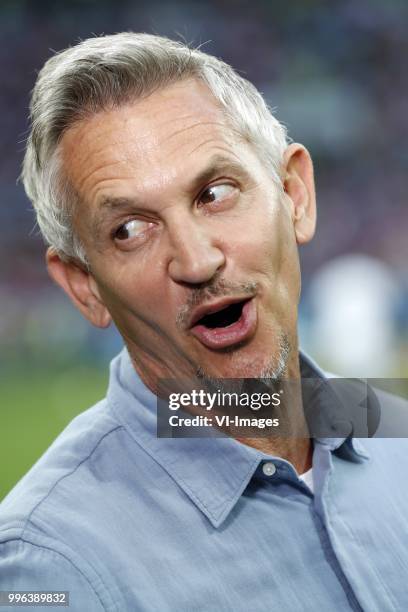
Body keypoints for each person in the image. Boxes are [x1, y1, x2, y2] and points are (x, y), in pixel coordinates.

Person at [0, 32, 407, 612]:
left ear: (295, 195)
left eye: (215, 193)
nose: (196, 261)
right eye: (130, 230)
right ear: (84, 286)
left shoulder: (389, 426)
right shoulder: (51, 567)